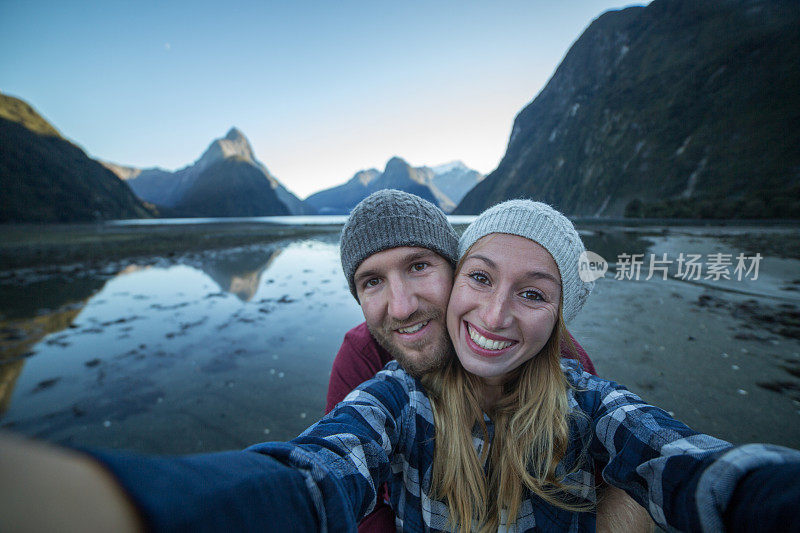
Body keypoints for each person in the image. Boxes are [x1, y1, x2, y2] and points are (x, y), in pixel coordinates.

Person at [4, 198, 800, 532]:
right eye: (370, 283)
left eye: (424, 266)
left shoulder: (574, 379)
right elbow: (318, 474)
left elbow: (686, 463)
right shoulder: (387, 386)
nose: (491, 317)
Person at [326, 190, 647, 531]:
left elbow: (622, 472)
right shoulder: (364, 357)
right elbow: (344, 469)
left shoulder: (554, 354)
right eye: (372, 281)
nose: (402, 307)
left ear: (455, 268)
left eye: (419, 266)